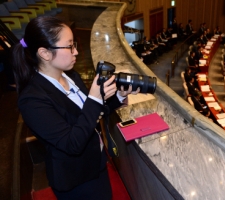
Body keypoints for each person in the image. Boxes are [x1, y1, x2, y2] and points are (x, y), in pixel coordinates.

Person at [11, 16, 140, 199]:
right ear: (45, 53)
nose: (76, 52)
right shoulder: (32, 100)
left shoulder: (71, 75)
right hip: (75, 179)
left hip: (96, 163)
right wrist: (95, 99)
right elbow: (72, 143)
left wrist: (119, 95)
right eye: (70, 46)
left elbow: (91, 115)